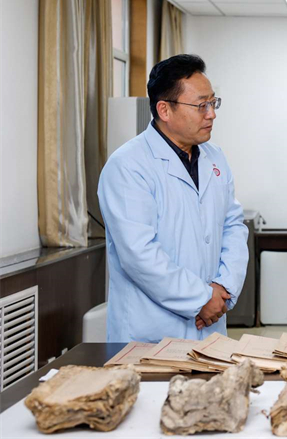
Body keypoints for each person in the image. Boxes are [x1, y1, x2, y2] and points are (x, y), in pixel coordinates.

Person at [98, 54, 248, 342]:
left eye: (213, 103)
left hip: (211, 323)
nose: (211, 114)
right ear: (164, 109)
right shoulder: (128, 165)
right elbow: (139, 253)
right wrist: (201, 298)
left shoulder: (215, 158)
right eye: (201, 105)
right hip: (151, 330)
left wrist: (223, 288)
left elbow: (233, 226)